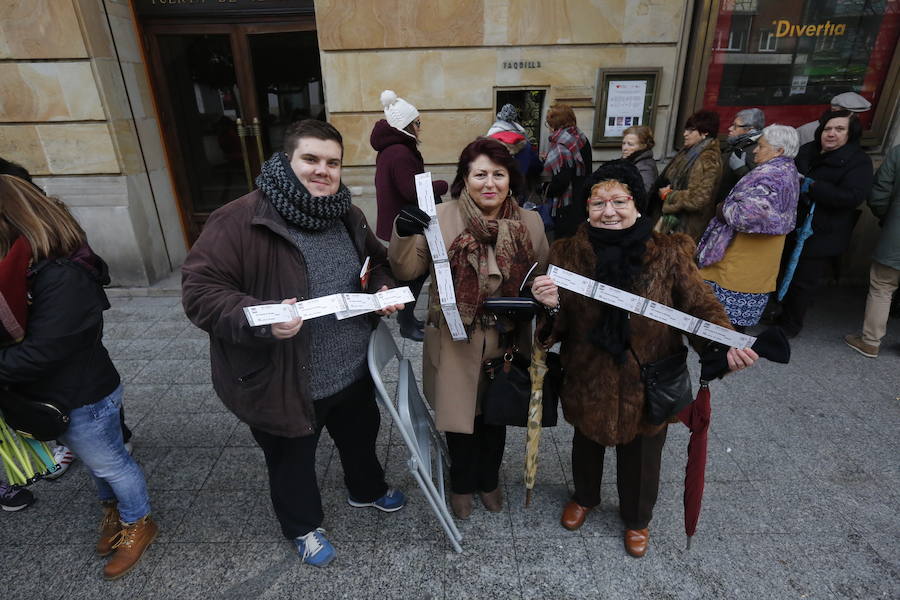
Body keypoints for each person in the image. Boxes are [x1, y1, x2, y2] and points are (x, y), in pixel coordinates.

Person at [181, 119, 407, 568]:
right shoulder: (240, 218)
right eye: (311, 159)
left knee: (360, 436)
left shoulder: (346, 213)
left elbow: (377, 262)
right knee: (291, 461)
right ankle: (303, 527)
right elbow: (200, 293)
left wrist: (380, 291)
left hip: (351, 367)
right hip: (282, 376)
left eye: (333, 162)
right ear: (287, 162)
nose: (322, 170)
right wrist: (261, 320)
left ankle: (365, 489)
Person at [530, 160, 757, 558]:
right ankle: (584, 497)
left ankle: (637, 518)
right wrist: (549, 307)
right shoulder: (566, 254)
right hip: (588, 373)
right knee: (586, 442)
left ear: (637, 205)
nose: (609, 211)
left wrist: (725, 345)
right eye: (598, 202)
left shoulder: (669, 253)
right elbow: (556, 323)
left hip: (649, 378)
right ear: (587, 208)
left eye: (620, 200)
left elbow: (700, 307)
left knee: (643, 455)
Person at [0, 175, 156, 579]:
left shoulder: (60, 275)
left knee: (113, 464)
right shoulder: (29, 268)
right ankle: (115, 511)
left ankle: (139, 521)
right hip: (65, 392)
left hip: (82, 395)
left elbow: (43, 351)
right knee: (98, 463)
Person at [388, 138, 549, 519]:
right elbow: (406, 270)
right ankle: (462, 483)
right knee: (460, 419)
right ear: (465, 177)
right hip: (454, 336)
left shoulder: (530, 222)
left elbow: (538, 274)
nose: (489, 183)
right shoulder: (440, 217)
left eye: (499, 174)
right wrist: (402, 230)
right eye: (480, 174)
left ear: (511, 179)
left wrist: (544, 294)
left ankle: (489, 479)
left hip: (507, 337)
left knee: (496, 415)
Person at [775, 110, 874, 337]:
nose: (831, 134)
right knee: (782, 272)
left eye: (839, 129)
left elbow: (852, 197)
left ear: (850, 133)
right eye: (828, 128)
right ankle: (780, 313)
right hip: (792, 225)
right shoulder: (808, 150)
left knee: (803, 282)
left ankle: (789, 327)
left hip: (822, 233)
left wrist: (811, 186)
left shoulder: (858, 162)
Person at [696, 125, 801, 330]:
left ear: (779, 151)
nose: (754, 151)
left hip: (743, 262)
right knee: (729, 328)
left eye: (761, 147)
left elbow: (746, 216)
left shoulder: (773, 176)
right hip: (755, 262)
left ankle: (722, 358)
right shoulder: (787, 170)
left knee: (725, 328)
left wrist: (722, 208)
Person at [372, 90, 449, 341]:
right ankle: (406, 324)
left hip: (400, 222)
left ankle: (408, 319)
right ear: (407, 125)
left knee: (411, 274)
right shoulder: (400, 152)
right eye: (418, 123)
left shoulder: (392, 149)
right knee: (414, 275)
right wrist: (440, 185)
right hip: (406, 226)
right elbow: (410, 189)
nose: (420, 128)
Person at [844, 143, 900, 357]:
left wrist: (889, 219)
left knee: (883, 286)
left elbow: (879, 193)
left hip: (896, 234)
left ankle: (870, 341)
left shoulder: (898, 151)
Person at [657, 109, 723, 242]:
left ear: (705, 133)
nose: (685, 134)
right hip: (678, 222)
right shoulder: (690, 151)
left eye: (691, 130)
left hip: (687, 226)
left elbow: (699, 198)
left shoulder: (707, 157)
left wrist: (669, 194)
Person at [542, 103, 592, 239]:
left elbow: (561, 181)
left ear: (554, 124)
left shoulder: (561, 146)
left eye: (548, 124)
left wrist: (545, 190)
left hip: (566, 204)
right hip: (582, 197)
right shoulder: (581, 138)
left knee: (563, 243)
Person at [487, 103, 543, 199]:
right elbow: (536, 166)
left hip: (493, 190)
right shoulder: (525, 144)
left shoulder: (488, 142)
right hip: (518, 190)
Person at [716, 108, 765, 204]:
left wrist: (741, 169)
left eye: (735, 126)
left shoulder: (754, 151)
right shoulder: (738, 144)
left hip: (732, 209)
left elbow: (755, 187)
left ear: (750, 130)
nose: (730, 129)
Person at [796, 92, 871, 146]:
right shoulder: (806, 130)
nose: (856, 118)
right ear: (834, 110)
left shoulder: (853, 131)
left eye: (857, 114)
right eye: (851, 114)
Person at [620, 125, 658, 220]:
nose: (625, 148)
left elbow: (641, 196)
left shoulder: (645, 167)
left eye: (630, 144)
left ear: (643, 146)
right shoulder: (629, 162)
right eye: (623, 143)